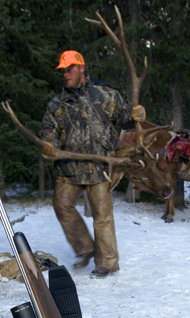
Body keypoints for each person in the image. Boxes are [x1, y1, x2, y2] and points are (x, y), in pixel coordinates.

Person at [40, 50, 146, 279]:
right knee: (61, 204)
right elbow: (49, 130)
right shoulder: (57, 104)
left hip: (101, 167)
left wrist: (137, 114)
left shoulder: (106, 95)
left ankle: (106, 263)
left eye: (69, 69)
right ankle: (85, 248)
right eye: (63, 71)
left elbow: (126, 118)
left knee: (102, 215)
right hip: (70, 167)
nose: (65, 74)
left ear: (81, 68)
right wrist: (49, 144)